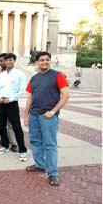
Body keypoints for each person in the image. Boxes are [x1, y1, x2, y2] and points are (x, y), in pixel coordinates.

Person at [24, 51, 70, 186]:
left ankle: (53, 173)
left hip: (48, 117)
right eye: (42, 60)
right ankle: (40, 164)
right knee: (35, 141)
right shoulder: (34, 78)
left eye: (47, 59)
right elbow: (30, 97)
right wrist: (26, 115)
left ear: (50, 61)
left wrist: (53, 111)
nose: (44, 62)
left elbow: (66, 95)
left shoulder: (58, 75)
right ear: (37, 62)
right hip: (34, 115)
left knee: (50, 144)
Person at [0, 53, 28, 161]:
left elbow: (22, 90)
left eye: (10, 60)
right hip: (1, 103)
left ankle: (22, 150)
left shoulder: (19, 74)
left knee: (16, 127)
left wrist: (11, 98)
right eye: (6, 60)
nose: (8, 62)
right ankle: (4, 145)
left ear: (14, 61)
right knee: (1, 125)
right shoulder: (2, 74)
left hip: (12, 103)